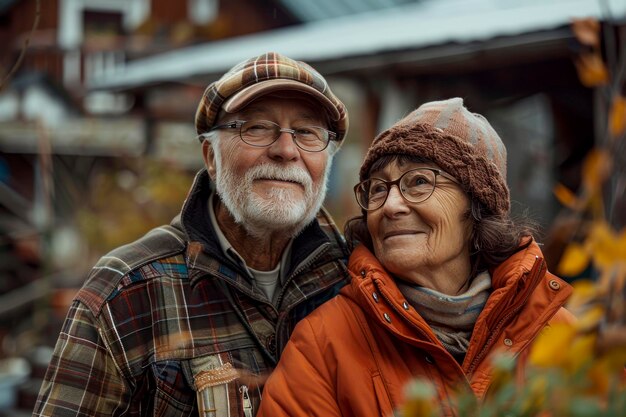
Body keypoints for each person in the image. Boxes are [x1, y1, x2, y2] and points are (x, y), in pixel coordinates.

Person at [33, 52, 350, 417]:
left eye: (307, 132)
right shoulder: (126, 290)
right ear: (211, 157)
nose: (285, 150)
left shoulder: (352, 278)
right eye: (257, 127)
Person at [257, 98, 576, 417]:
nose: (390, 206)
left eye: (419, 182)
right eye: (378, 189)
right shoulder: (323, 345)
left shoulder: (559, 338)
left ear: (476, 204)